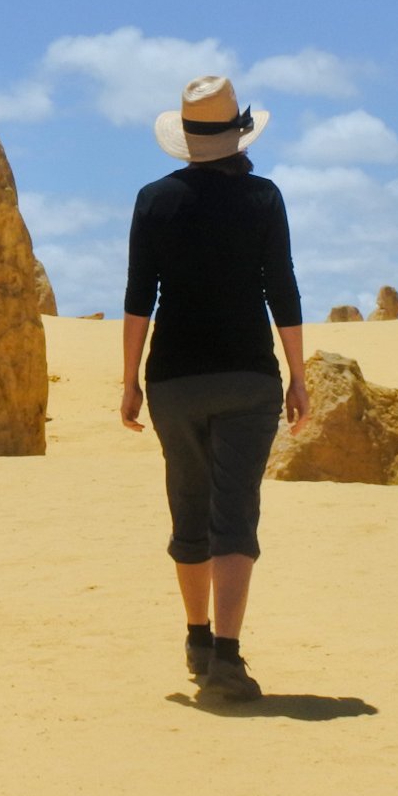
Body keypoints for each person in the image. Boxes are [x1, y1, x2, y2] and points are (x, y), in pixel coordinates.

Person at [118, 76, 307, 703]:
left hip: (173, 378)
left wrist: (128, 383)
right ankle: (225, 656)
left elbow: (139, 300)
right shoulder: (263, 198)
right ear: (239, 136)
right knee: (235, 516)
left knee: (188, 504)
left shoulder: (153, 200)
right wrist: (300, 377)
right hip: (248, 376)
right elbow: (282, 290)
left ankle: (197, 640)